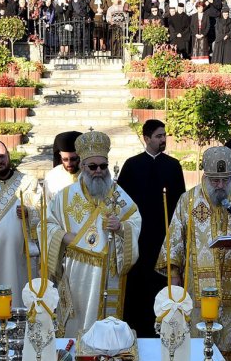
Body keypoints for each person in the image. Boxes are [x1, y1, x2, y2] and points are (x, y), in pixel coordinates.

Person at [156, 146, 231, 361]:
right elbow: (174, 239)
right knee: (197, 334)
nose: (220, 185)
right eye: (215, 180)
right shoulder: (188, 200)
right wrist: (174, 274)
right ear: (204, 176)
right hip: (196, 285)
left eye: (225, 180)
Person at [44, 130, 141, 338]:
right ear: (82, 166)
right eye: (93, 166)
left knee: (106, 329)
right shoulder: (65, 197)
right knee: (76, 322)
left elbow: (134, 219)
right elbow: (46, 225)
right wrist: (63, 237)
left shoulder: (117, 194)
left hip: (108, 272)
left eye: (103, 166)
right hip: (76, 272)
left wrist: (121, 228)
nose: (99, 171)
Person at [116, 119, 187, 335]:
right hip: (138, 239)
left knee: (162, 287)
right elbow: (122, 202)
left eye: (164, 135)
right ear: (146, 138)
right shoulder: (131, 165)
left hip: (164, 238)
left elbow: (180, 203)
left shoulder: (173, 165)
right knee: (138, 289)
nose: (163, 139)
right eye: (158, 136)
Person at [0, 139, 41, 323]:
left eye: (2, 156)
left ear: (9, 156)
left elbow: (43, 213)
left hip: (20, 257)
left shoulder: (27, 183)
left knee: (21, 296)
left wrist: (29, 213)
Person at [44, 131, 82, 198]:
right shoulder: (51, 177)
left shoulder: (90, 173)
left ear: (80, 156)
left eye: (73, 159)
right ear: (60, 156)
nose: (69, 163)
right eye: (65, 159)